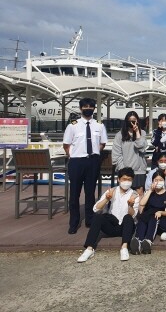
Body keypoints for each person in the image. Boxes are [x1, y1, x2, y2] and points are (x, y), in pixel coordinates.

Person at [63, 97, 108, 234]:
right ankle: (74, 223)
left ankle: (89, 219)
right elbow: (66, 144)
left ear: (94, 109)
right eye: (85, 107)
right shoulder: (73, 125)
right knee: (75, 193)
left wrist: (94, 154)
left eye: (90, 106)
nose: (88, 109)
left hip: (92, 161)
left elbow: (102, 143)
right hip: (77, 161)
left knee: (90, 193)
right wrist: (74, 154)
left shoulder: (99, 125)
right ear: (80, 108)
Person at [77, 167, 139, 263]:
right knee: (98, 217)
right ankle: (89, 249)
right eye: (124, 179)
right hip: (112, 225)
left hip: (125, 227)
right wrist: (106, 198)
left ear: (132, 180)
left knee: (128, 217)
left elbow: (134, 215)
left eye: (129, 180)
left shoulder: (134, 194)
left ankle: (124, 247)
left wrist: (130, 205)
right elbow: (95, 209)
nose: (126, 182)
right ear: (118, 179)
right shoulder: (112, 191)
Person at [130, 171, 166, 255]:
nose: (158, 182)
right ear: (152, 181)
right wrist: (150, 191)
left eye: (160, 180)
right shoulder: (149, 192)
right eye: (156, 180)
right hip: (147, 214)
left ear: (164, 181)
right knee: (142, 220)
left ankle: (148, 242)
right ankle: (138, 241)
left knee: (153, 220)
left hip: (157, 216)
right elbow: (142, 203)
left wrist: (161, 212)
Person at [112, 111, 147, 193]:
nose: (132, 123)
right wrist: (123, 170)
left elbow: (141, 147)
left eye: (134, 120)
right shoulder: (119, 135)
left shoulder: (142, 133)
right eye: (130, 120)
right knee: (125, 194)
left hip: (139, 170)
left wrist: (137, 132)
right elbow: (116, 154)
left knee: (139, 194)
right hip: (125, 170)